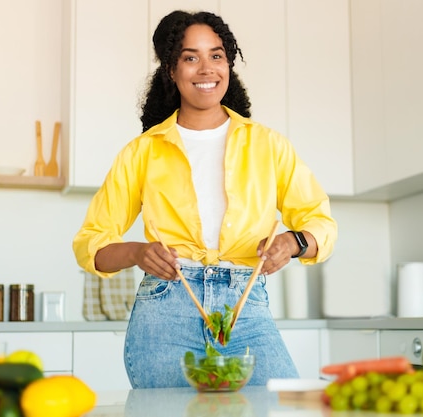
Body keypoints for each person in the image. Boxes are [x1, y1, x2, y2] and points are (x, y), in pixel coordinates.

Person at [73, 10, 338, 389]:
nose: (206, 69)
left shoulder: (268, 144)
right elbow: (91, 243)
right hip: (166, 311)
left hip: (246, 308)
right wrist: (136, 252)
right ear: (171, 69)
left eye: (216, 55)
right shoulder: (142, 152)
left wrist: (293, 242)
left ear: (228, 65)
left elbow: (321, 223)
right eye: (190, 57)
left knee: (282, 408)